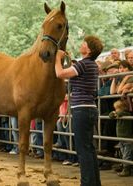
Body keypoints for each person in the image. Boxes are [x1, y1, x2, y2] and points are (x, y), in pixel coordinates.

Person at [55, 35, 103, 186]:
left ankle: (87, 183)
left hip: (81, 109)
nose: (81, 45)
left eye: (84, 44)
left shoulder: (84, 64)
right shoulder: (92, 65)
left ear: (88, 50)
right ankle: (94, 182)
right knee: (89, 148)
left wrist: (57, 58)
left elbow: (60, 74)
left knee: (83, 150)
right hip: (89, 108)